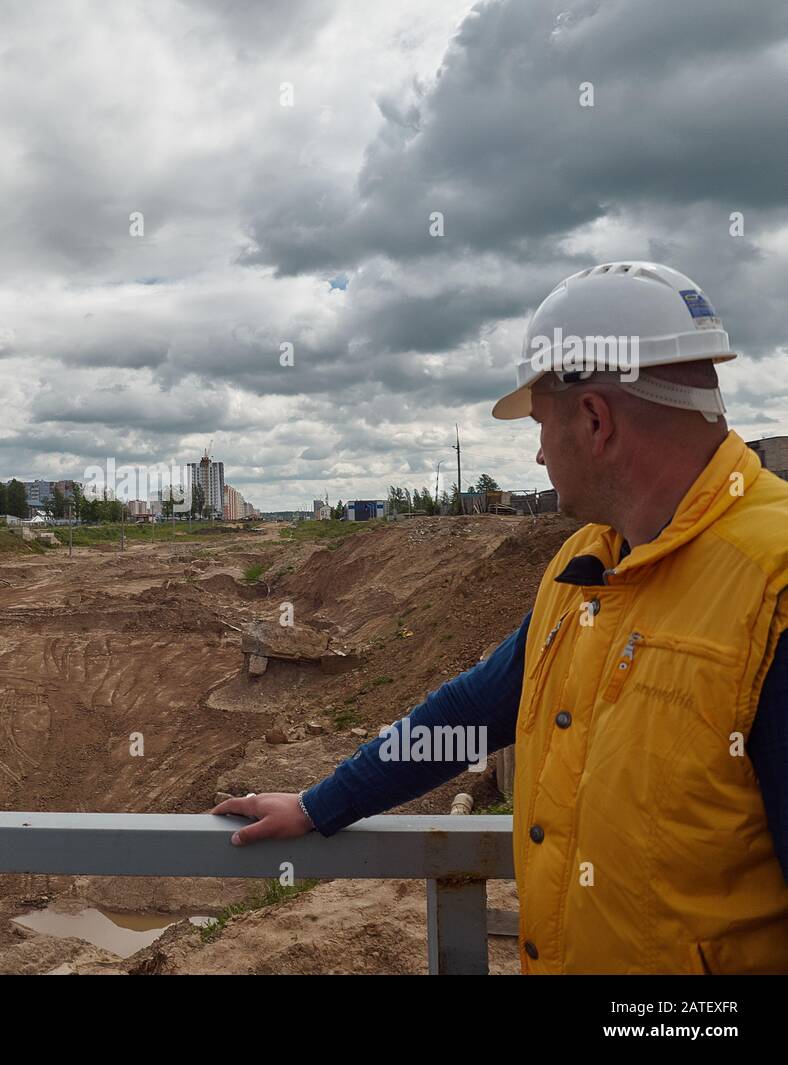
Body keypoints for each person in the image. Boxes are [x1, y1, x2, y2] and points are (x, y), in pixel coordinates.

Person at [213, 262, 788, 974]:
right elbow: (475, 709)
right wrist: (319, 802)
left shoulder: (774, 587)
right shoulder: (587, 565)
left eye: (542, 423)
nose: (539, 450)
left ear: (595, 420)